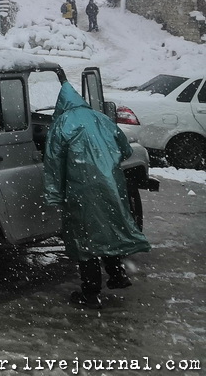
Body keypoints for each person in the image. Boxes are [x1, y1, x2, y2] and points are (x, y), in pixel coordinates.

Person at [43, 82, 150, 308]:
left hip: (82, 187)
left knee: (85, 237)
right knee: (108, 228)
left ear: (61, 105)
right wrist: (106, 164)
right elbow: (126, 149)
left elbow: (53, 162)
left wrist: (53, 193)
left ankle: (90, 293)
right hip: (112, 184)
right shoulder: (101, 118)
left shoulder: (62, 123)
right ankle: (117, 274)